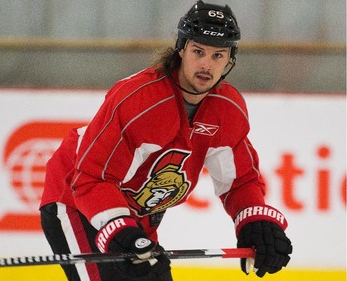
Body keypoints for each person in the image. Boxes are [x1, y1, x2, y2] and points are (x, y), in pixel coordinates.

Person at [40, 1, 292, 280]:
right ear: (181, 49)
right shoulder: (139, 101)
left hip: (137, 210)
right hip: (75, 196)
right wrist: (120, 230)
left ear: (230, 60)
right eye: (199, 51)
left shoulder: (226, 110)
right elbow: (90, 179)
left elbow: (241, 181)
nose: (206, 64)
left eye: (218, 55)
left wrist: (253, 221)